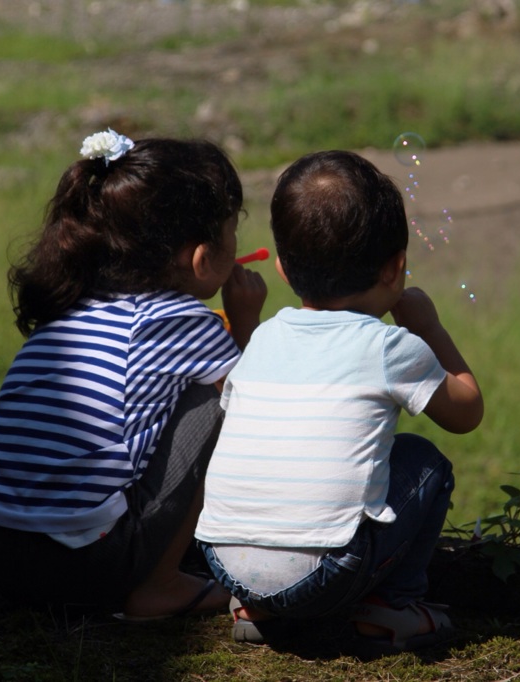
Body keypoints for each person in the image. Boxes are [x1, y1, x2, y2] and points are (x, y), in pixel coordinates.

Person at [0, 129, 267, 621]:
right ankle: (159, 585)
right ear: (202, 257)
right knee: (218, 401)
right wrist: (245, 323)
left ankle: (150, 559)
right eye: (232, 229)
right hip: (78, 563)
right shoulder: (180, 322)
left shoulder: (72, 305)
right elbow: (258, 397)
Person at [194, 150, 484, 654]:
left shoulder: (263, 339)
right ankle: (392, 607)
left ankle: (255, 606)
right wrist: (427, 326)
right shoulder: (392, 347)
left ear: (282, 268)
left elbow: (241, 405)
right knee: (424, 461)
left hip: (222, 563)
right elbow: (466, 411)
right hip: (329, 572)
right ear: (396, 268)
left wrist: (245, 322)